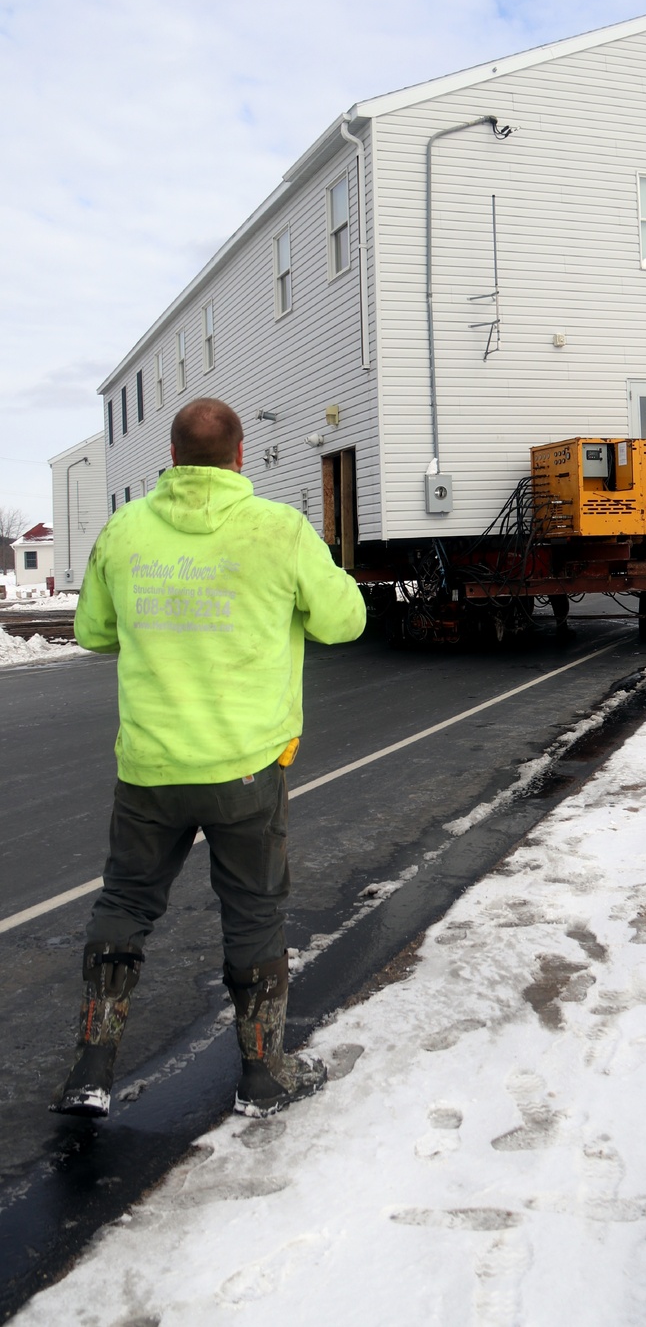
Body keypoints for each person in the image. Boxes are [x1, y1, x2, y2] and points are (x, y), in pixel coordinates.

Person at [51, 398, 367, 1120]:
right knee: (253, 912)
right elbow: (344, 622)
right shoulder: (277, 528)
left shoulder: (126, 531)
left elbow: (95, 632)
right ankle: (263, 1074)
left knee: (125, 902)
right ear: (240, 455)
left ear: (171, 456)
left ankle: (91, 1070)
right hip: (246, 767)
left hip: (150, 768)